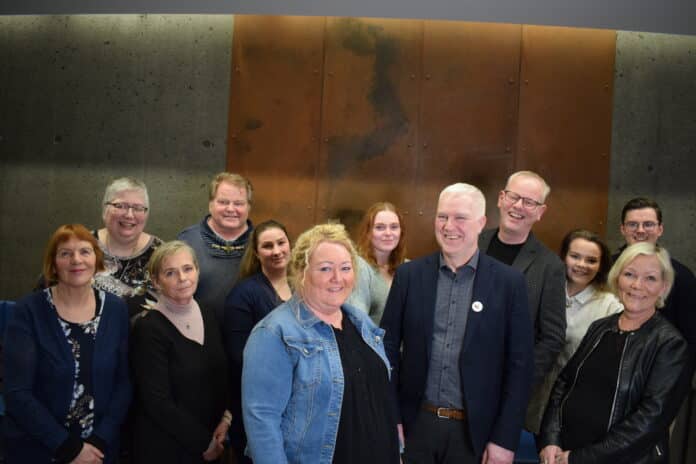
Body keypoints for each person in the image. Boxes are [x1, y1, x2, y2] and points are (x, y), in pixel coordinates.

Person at [381, 183, 533, 464]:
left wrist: (504, 439)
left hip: (476, 434)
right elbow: (387, 350)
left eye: (460, 218)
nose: (449, 226)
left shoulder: (509, 284)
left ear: (481, 223)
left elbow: (519, 368)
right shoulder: (409, 276)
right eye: (442, 216)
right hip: (415, 427)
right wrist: (391, 417)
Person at [242, 223, 399, 464]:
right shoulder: (274, 333)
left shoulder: (361, 322)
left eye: (345, 268)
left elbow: (380, 399)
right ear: (301, 272)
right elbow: (262, 421)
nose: (338, 278)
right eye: (325, 268)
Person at [539, 243, 692, 464]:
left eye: (650, 278)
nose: (637, 285)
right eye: (629, 274)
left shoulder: (670, 344)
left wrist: (579, 458)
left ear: (663, 287)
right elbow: (563, 384)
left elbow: (648, 421)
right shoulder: (600, 327)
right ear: (617, 278)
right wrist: (551, 439)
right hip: (566, 451)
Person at [3, 224, 131, 463]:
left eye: (85, 251)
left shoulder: (116, 309)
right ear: (53, 264)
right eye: (65, 253)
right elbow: (17, 392)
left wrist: (100, 441)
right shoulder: (28, 311)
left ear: (96, 260)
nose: (76, 260)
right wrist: (68, 448)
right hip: (40, 448)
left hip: (100, 451)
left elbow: (124, 383)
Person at [478, 170, 566, 432]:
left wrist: (518, 382)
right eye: (513, 197)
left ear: (540, 211)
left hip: (505, 393)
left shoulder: (550, 266)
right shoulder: (471, 242)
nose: (518, 206)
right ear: (501, 198)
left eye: (529, 202)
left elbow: (552, 338)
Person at [130, 241, 230, 464]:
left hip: (214, 439)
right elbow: (157, 402)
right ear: (156, 281)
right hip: (167, 449)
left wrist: (226, 419)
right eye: (170, 273)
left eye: (187, 269)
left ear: (197, 271)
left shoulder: (208, 312)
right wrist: (203, 443)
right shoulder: (148, 329)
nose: (182, 278)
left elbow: (222, 376)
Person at [526, 229, 622, 432]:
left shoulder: (611, 307)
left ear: (601, 266)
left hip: (574, 408)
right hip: (530, 399)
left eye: (591, 260)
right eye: (575, 256)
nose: (581, 265)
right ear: (563, 257)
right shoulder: (542, 290)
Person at [223, 219, 291, 463]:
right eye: (267, 246)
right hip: (259, 403)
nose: (276, 251)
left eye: (281, 243)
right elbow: (238, 356)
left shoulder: (303, 286)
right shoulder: (244, 294)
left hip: (294, 405)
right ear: (256, 252)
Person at [614, 197, 696, 349]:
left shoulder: (682, 277)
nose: (640, 230)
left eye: (648, 224)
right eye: (632, 224)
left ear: (660, 229)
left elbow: (690, 338)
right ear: (622, 229)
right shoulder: (606, 267)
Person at [178, 172, 254, 322]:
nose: (231, 209)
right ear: (210, 204)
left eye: (238, 203)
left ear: (248, 207)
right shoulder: (187, 241)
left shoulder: (262, 244)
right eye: (223, 202)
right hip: (197, 329)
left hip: (250, 332)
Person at [94, 177, 163, 312]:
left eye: (138, 208)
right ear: (104, 208)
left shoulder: (161, 255)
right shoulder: (81, 246)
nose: (129, 215)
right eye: (120, 206)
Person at [350, 202, 407, 324]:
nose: (388, 233)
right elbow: (357, 320)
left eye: (394, 227)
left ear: (401, 232)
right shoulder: (359, 266)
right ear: (368, 232)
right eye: (380, 227)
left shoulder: (408, 268)